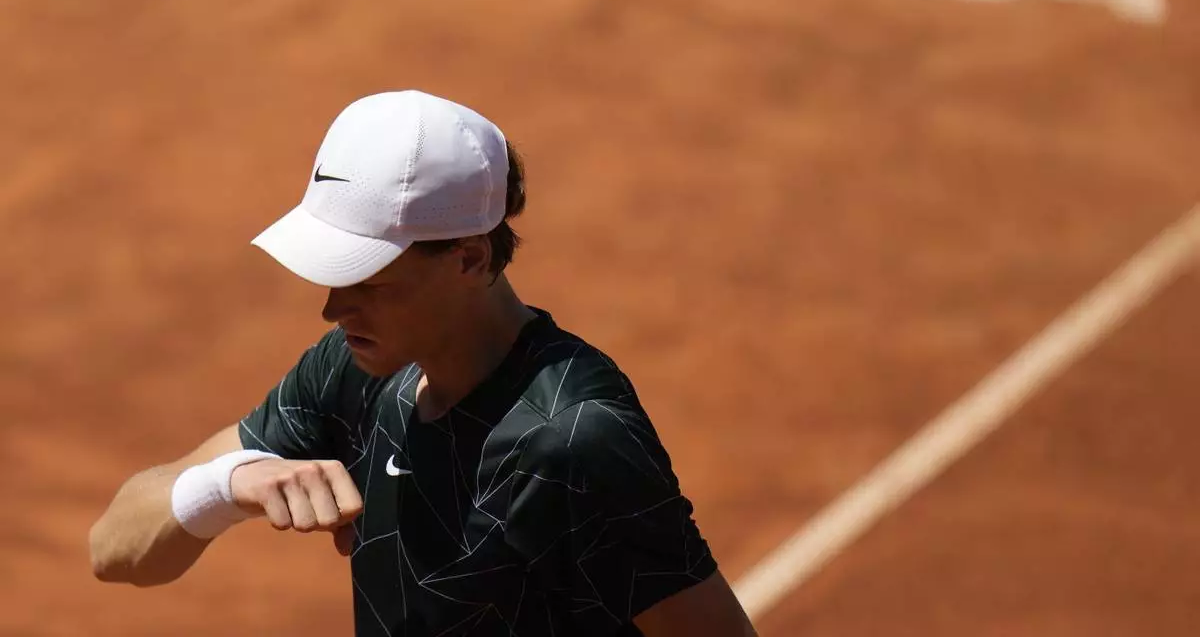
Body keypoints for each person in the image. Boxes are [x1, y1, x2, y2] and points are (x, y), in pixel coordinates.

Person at [89, 90, 757, 636]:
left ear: (469, 258)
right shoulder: (354, 369)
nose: (332, 309)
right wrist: (229, 483)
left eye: (368, 280)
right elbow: (115, 549)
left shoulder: (573, 442)